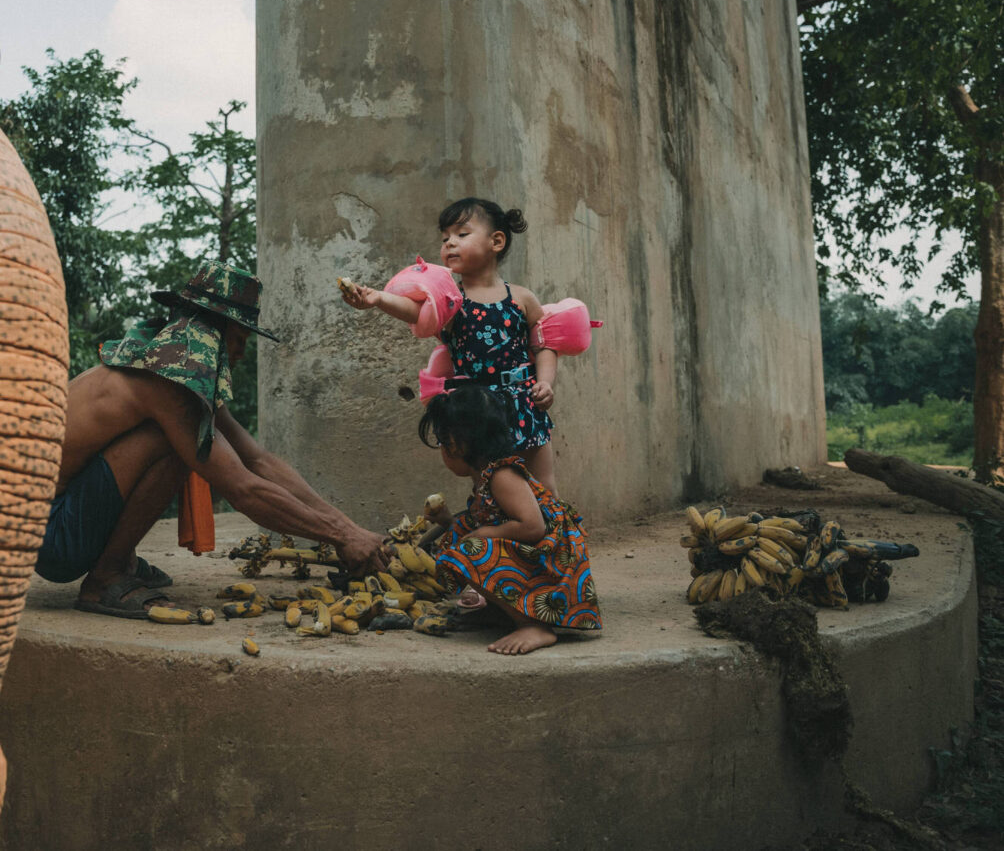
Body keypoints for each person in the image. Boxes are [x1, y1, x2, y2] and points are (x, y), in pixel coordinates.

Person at [38, 261, 391, 618]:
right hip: (49, 536)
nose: (239, 354)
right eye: (237, 340)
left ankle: (118, 558)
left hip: (53, 521)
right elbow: (243, 489)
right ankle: (106, 578)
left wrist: (350, 528)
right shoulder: (167, 385)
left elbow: (258, 461)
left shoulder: (168, 368)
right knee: (182, 444)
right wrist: (341, 537)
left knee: (191, 438)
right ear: (212, 334)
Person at [340, 196, 561, 493]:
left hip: (525, 402)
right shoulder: (449, 302)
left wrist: (546, 382)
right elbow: (415, 311)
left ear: (496, 241)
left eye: (461, 234)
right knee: (489, 486)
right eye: (445, 238)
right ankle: (496, 536)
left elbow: (544, 344)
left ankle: (553, 538)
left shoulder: (521, 298)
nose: (449, 243)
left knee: (543, 484)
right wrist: (378, 298)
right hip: (477, 409)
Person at [417, 385, 601, 654]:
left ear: (457, 444)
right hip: (534, 556)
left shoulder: (502, 476)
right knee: (462, 534)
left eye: (444, 443)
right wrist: (448, 522)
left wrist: (484, 535)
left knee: (469, 550)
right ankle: (502, 612)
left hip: (551, 563)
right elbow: (484, 522)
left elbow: (533, 526)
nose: (444, 451)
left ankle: (533, 625)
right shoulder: (484, 476)